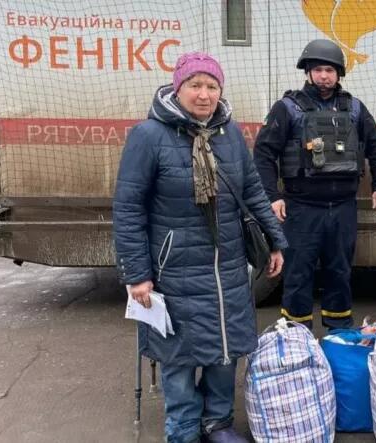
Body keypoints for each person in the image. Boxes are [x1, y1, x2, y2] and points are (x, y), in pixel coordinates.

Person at [113, 52, 288, 442]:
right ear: (178, 88)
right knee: (177, 355)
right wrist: (136, 274)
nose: (204, 94)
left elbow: (252, 191)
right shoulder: (148, 136)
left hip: (228, 265)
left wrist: (275, 241)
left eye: (212, 86)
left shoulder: (230, 134)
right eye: (195, 85)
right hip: (173, 268)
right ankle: (183, 428)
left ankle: (217, 422)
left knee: (225, 345)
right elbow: (128, 208)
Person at [254, 39, 376, 330]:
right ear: (308, 72)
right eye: (317, 70)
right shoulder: (287, 108)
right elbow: (264, 153)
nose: (324, 76)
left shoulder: (355, 109)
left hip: (343, 208)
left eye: (329, 70)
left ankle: (338, 334)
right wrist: (273, 196)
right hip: (301, 208)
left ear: (339, 73)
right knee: (298, 273)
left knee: (339, 272)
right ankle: (296, 335)